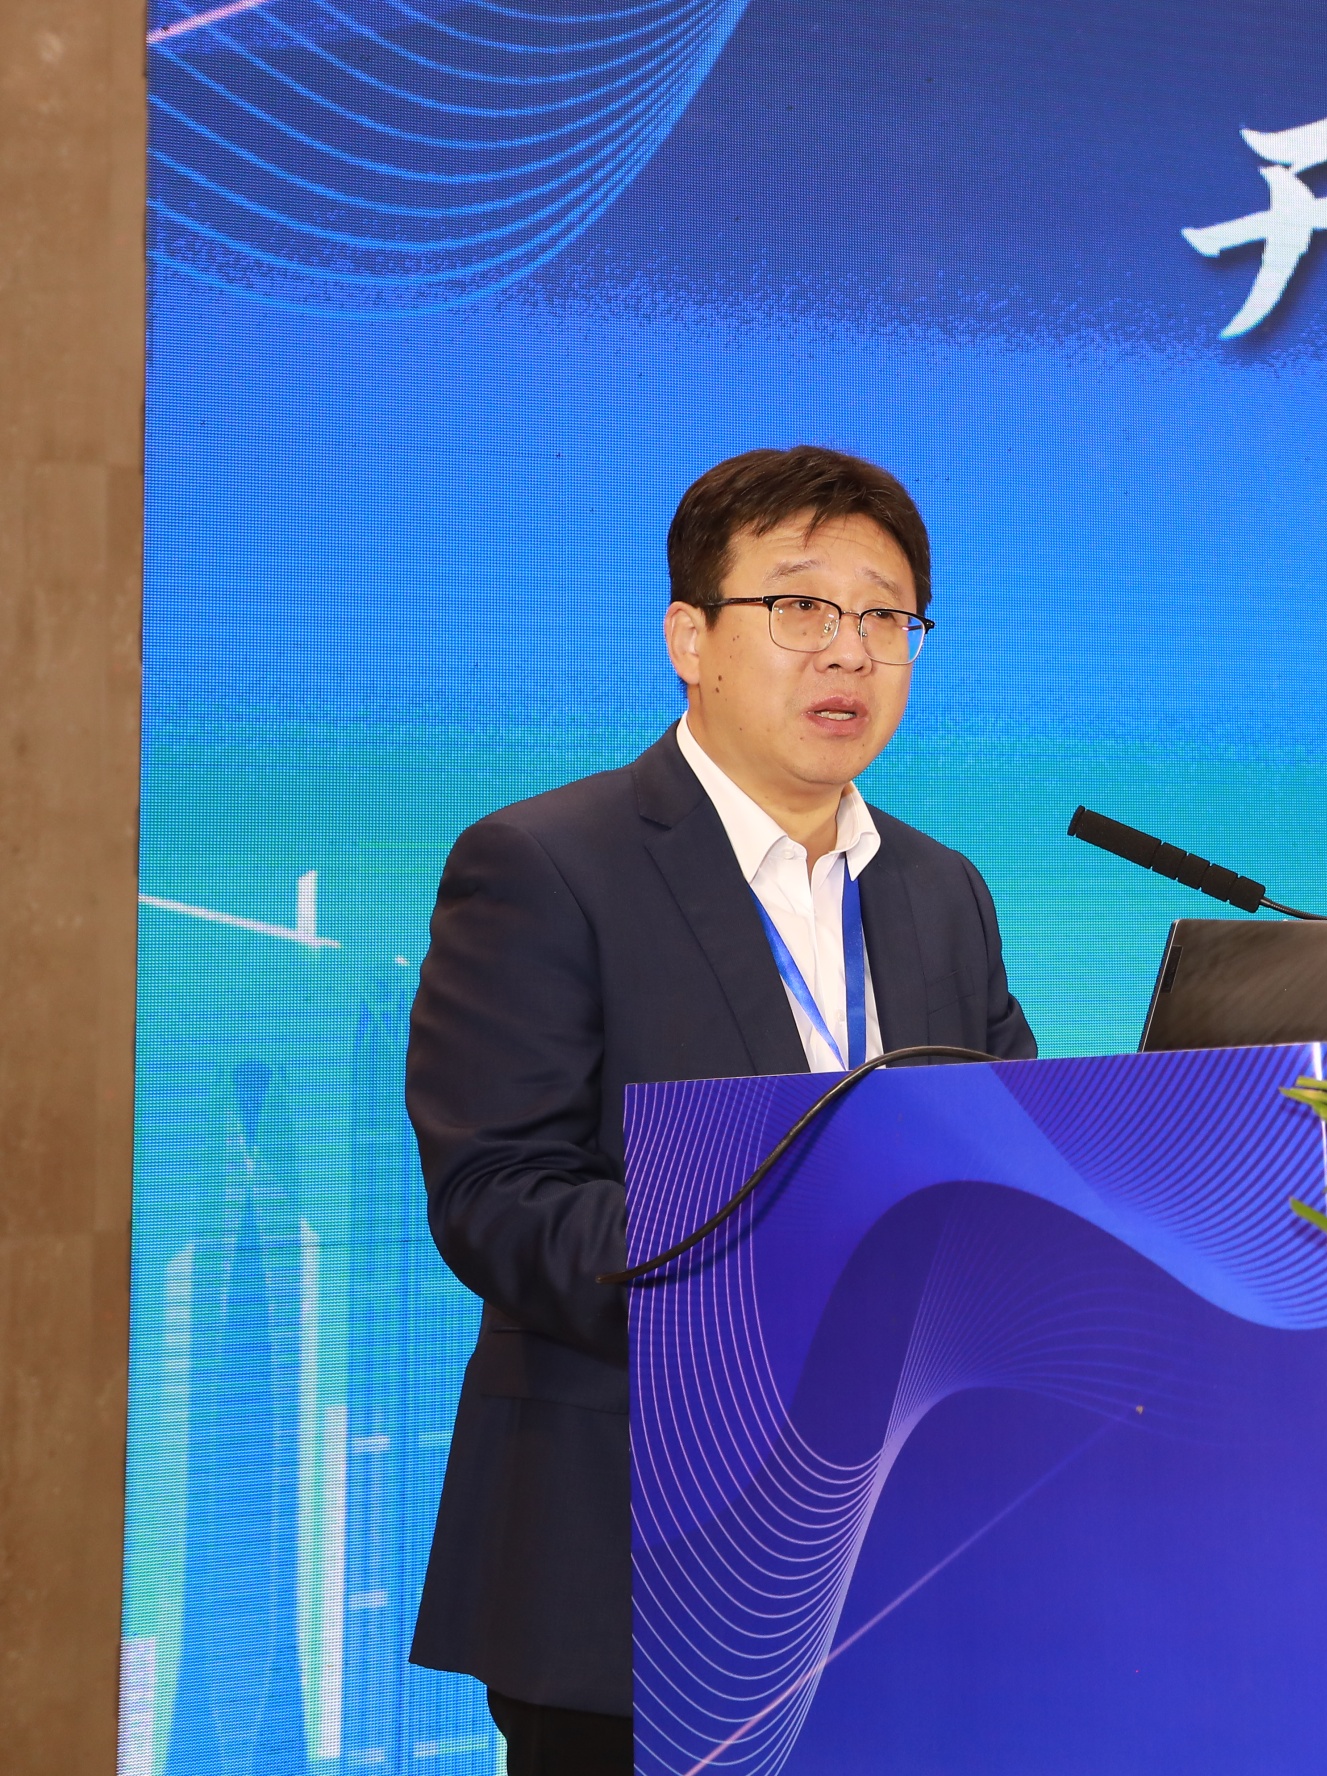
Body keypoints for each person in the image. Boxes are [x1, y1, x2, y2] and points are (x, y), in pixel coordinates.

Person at [404, 447, 1038, 1773]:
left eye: (886, 616)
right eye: (800, 607)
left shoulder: (942, 892)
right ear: (689, 638)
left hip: (904, 1565)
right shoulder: (544, 866)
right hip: (640, 1571)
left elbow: (1005, 1156)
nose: (850, 650)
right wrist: (786, 1270)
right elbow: (500, 1198)